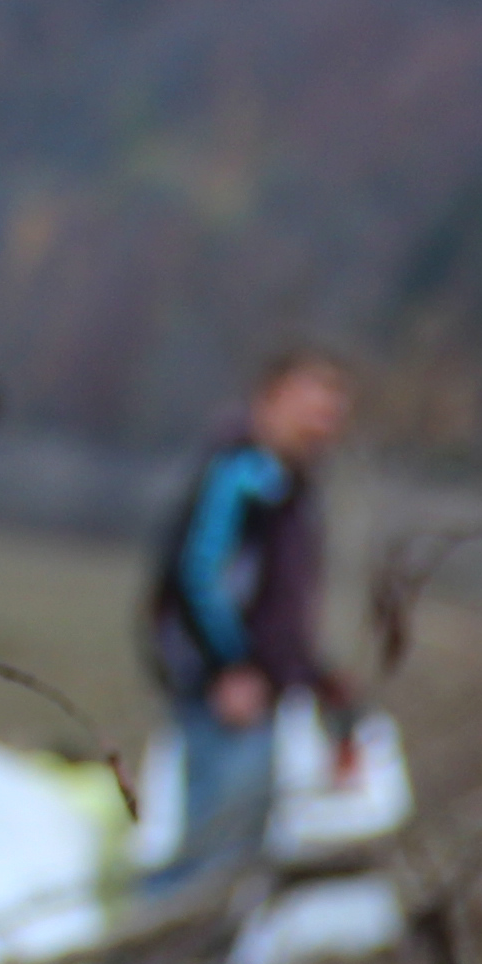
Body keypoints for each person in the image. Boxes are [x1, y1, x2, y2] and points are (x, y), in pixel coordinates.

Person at [137, 347, 356, 911]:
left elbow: (280, 606)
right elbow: (198, 574)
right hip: (230, 691)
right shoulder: (243, 474)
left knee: (240, 850)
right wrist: (231, 666)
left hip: (264, 685)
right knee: (212, 850)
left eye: (331, 413)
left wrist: (315, 674)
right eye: (309, 408)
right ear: (269, 401)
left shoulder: (290, 487)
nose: (320, 425)